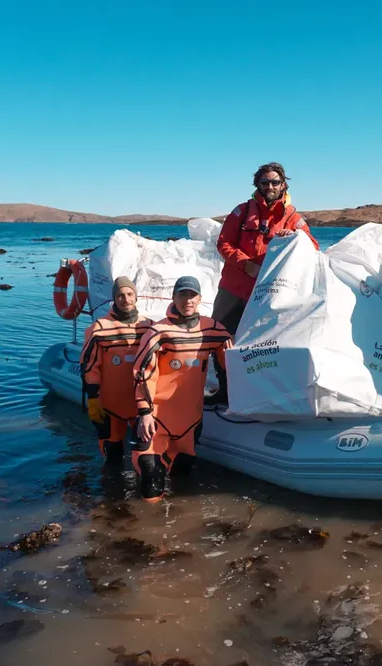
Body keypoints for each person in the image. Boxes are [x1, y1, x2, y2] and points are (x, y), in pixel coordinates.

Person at [209, 162, 319, 403]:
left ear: (283, 185)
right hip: (234, 289)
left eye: (275, 182)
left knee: (262, 342)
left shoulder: (293, 217)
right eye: (265, 182)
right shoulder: (240, 212)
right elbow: (224, 244)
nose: (270, 186)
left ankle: (259, 390)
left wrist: (295, 236)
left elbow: (312, 246)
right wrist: (246, 264)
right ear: (257, 185)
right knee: (221, 336)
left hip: (268, 294)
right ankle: (226, 390)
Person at [132, 276, 232, 501]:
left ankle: (179, 529)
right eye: (183, 294)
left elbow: (231, 361)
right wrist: (144, 412)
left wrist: (231, 357)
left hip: (190, 421)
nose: (188, 300)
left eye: (192, 295)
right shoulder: (159, 332)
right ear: (174, 297)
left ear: (200, 299)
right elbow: (143, 373)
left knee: (183, 485)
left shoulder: (213, 329)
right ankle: (146, 528)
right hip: (157, 417)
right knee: (149, 474)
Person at [81, 276, 153, 463]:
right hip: (111, 404)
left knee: (145, 459)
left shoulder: (150, 327)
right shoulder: (98, 329)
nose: (126, 299)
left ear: (136, 297)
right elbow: (90, 367)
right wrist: (93, 398)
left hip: (141, 405)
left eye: (130, 294)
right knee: (113, 456)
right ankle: (111, 490)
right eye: (120, 295)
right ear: (114, 298)